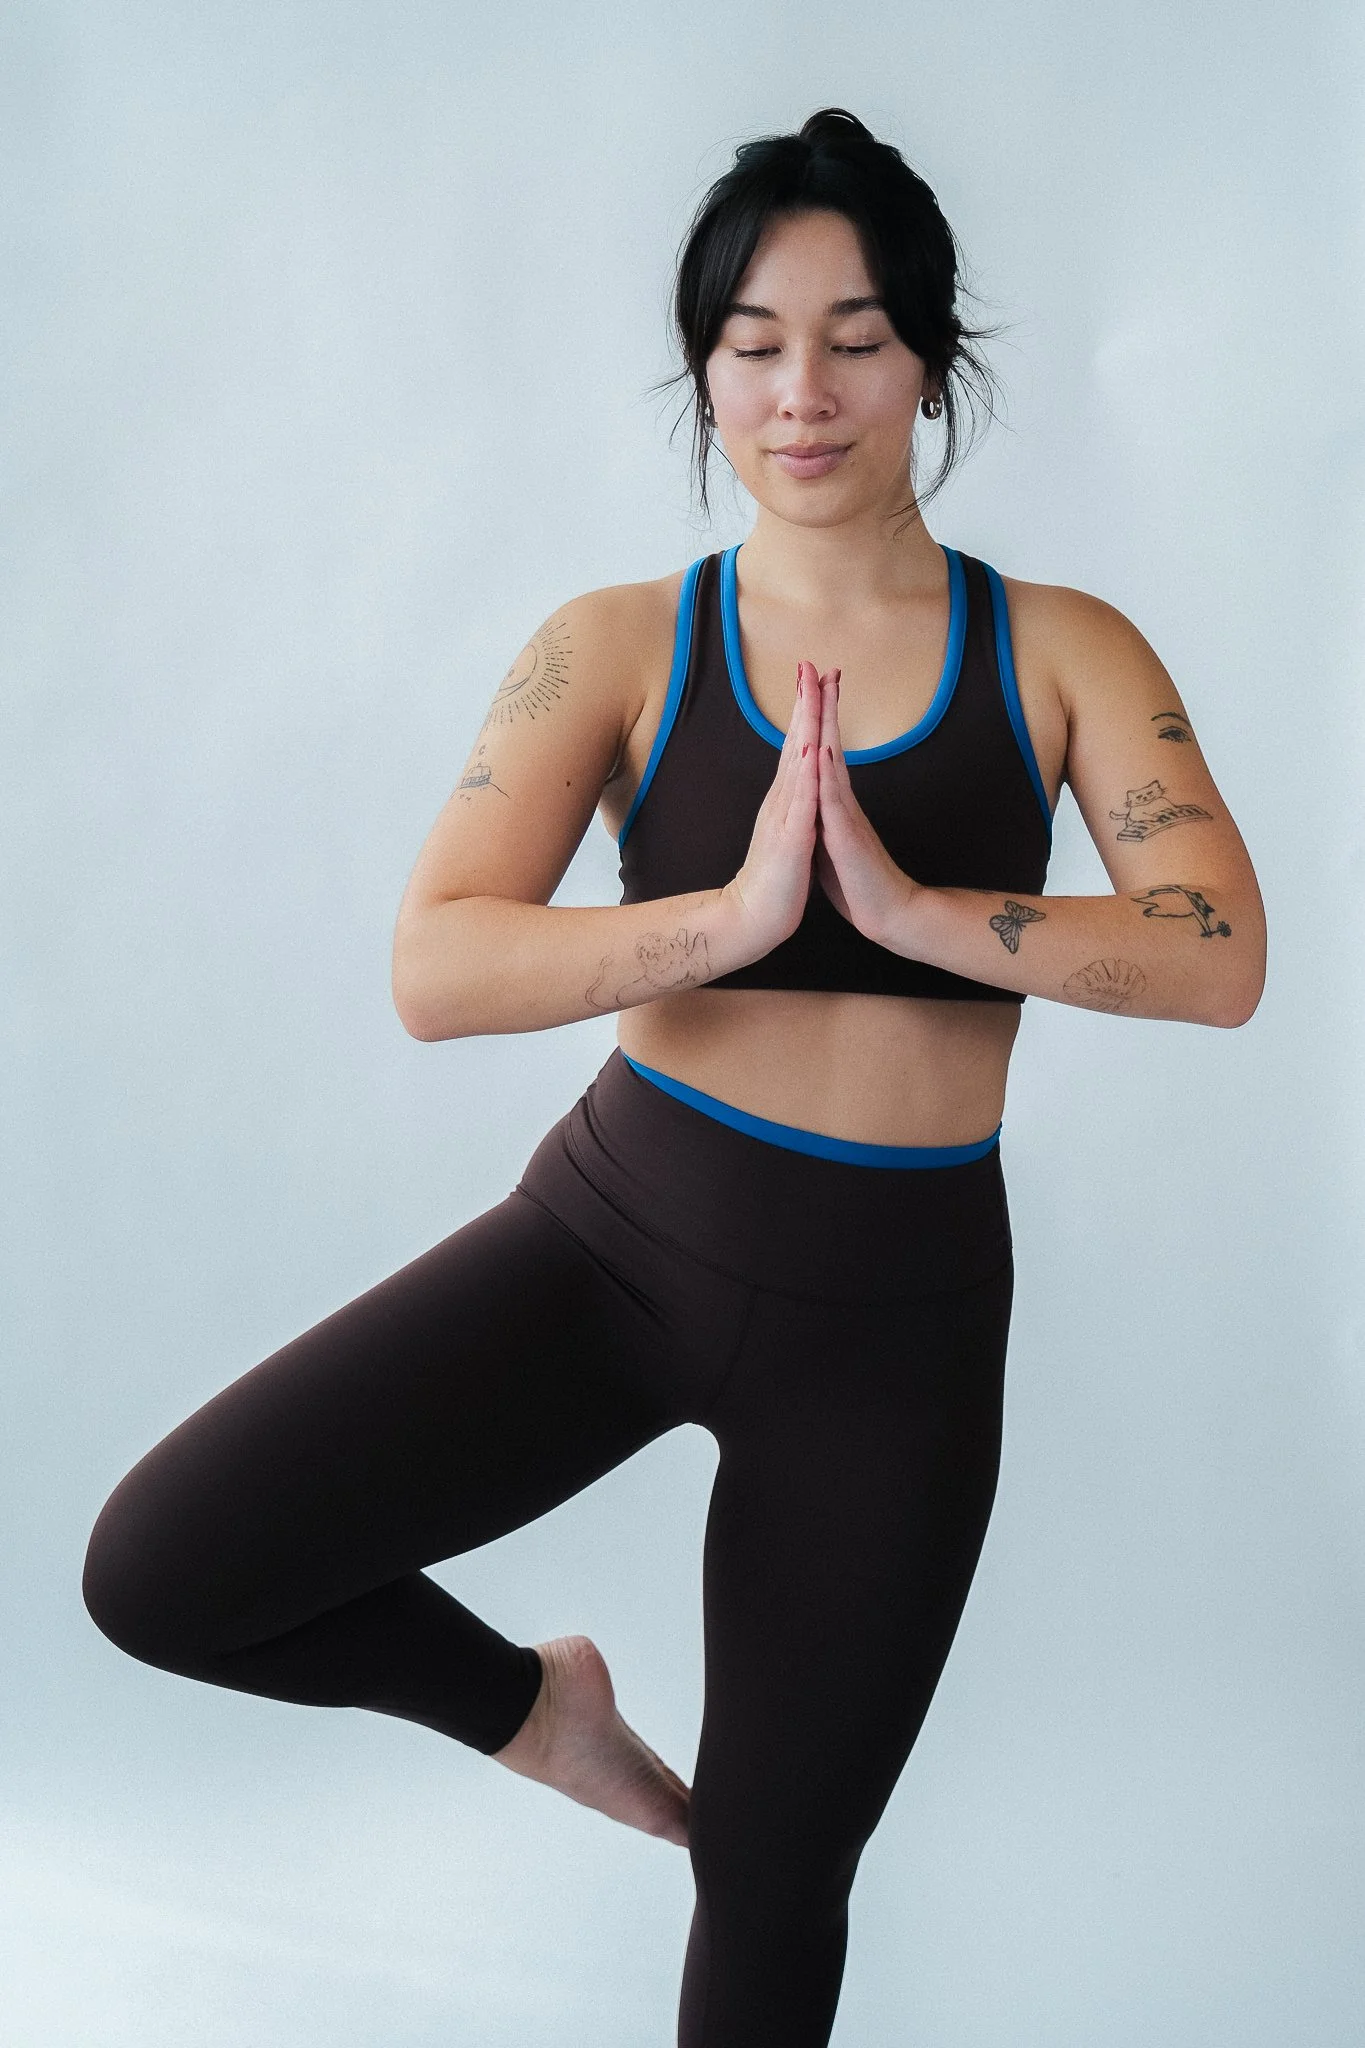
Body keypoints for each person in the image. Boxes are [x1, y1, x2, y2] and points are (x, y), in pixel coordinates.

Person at [82, 107, 1266, 2046]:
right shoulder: (620, 646)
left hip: (895, 1331)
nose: (802, 393)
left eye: (856, 340)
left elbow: (1219, 953)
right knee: (166, 1567)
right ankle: (537, 1707)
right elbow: (436, 963)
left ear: (931, 360)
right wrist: (727, 920)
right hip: (617, 1245)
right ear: (702, 366)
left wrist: (915, 912)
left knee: (774, 1883)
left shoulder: (1064, 650)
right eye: (751, 343)